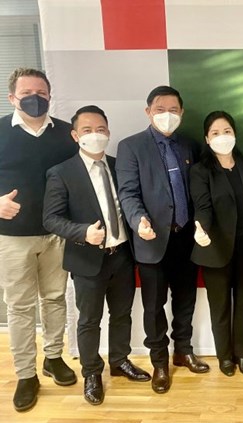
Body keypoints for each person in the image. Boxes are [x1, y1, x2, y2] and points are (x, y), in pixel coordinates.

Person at [43, 105, 151, 405]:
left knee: (122, 314)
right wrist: (82, 232)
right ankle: (91, 372)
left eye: (100, 129)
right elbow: (51, 219)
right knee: (89, 320)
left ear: (108, 132)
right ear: (75, 135)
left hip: (122, 255)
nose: (95, 135)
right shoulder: (61, 173)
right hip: (87, 260)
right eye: (87, 130)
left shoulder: (120, 166)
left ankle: (120, 361)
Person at [116, 86, 208, 394]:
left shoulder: (190, 145)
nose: (167, 115)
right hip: (151, 239)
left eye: (173, 110)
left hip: (185, 238)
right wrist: (138, 219)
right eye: (160, 109)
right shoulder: (131, 147)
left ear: (181, 112)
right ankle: (159, 362)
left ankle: (183, 350)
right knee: (154, 306)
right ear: (148, 112)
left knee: (185, 299)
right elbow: (128, 193)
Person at [0, 68, 78, 412]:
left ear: (49, 95)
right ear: (12, 97)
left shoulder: (65, 133)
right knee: (20, 306)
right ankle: (25, 374)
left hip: (56, 234)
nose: (36, 98)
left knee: (55, 298)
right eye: (27, 93)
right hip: (12, 238)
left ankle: (53, 357)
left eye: (42, 93)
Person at [190, 111, 243, 377]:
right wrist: (201, 228)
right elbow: (203, 207)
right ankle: (225, 357)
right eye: (215, 133)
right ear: (207, 139)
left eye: (227, 131)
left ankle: (242, 355)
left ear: (235, 134)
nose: (222, 137)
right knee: (219, 307)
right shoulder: (200, 171)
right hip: (215, 249)